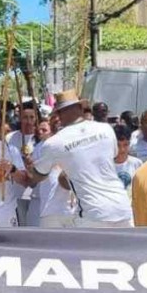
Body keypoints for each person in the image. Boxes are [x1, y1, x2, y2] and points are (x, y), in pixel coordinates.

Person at [28, 90, 133, 228]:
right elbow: (111, 157)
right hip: (122, 206)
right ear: (80, 108)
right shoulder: (106, 129)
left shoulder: (54, 143)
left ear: (58, 114)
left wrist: (31, 166)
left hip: (93, 212)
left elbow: (36, 177)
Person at [31, 120, 79, 229]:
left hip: (74, 211)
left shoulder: (79, 147)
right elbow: (36, 176)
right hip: (51, 209)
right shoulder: (46, 147)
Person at [6, 104, 39, 226]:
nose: (29, 121)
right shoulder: (10, 138)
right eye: (25, 117)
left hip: (36, 194)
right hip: (17, 193)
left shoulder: (39, 138)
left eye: (32, 117)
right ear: (20, 118)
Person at [112, 125, 143, 193]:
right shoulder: (106, 165)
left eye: (125, 145)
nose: (122, 149)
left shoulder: (137, 163)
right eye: (118, 145)